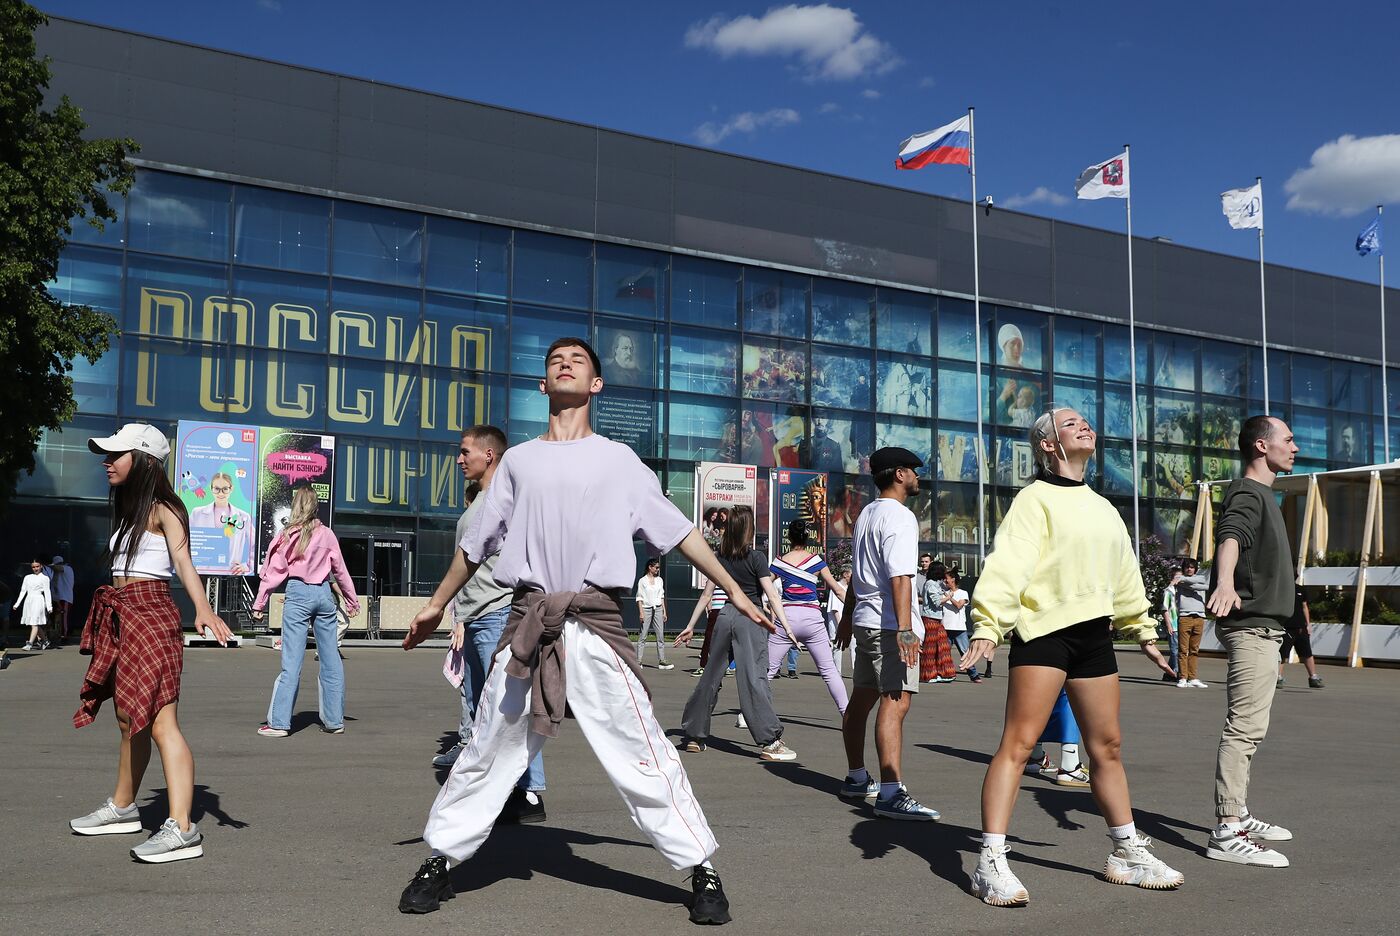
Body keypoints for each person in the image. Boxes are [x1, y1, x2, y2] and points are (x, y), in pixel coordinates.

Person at [395, 337, 773, 924]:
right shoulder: (518, 462)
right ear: (543, 385)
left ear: (596, 384)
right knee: (486, 747)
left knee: (642, 751)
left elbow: (678, 533)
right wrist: (435, 604)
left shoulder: (620, 460)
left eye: (577, 361)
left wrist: (737, 588)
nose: (564, 364)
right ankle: (440, 859)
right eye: (553, 362)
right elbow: (475, 546)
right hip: (530, 622)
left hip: (596, 624)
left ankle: (700, 868)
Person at [960, 407, 1182, 906]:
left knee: (1108, 748)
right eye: (1069, 423)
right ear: (1047, 444)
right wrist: (988, 626)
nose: (1084, 426)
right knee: (1018, 746)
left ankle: (1125, 851)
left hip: (1094, 638)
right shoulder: (1032, 500)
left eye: (1086, 421)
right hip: (1044, 635)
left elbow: (1124, 573)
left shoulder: (1104, 507)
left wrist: (1143, 630)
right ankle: (990, 860)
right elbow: (1009, 562)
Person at [70, 423, 233, 863]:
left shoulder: (166, 508)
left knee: (161, 723)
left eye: (115, 454)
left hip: (151, 615)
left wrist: (203, 609)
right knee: (127, 720)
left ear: (143, 459)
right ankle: (123, 807)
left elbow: (184, 562)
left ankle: (182, 827)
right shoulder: (129, 508)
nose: (106, 461)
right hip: (123, 615)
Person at [429, 426, 548, 819]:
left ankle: (530, 793)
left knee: (509, 707)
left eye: (465, 452)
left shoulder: (506, 501)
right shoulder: (478, 501)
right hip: (478, 616)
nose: (459, 459)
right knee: (485, 711)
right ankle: (498, 789)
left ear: (489, 455)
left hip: (499, 614)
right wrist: (459, 615)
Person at [1204, 415, 1301, 868]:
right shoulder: (1248, 492)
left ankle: (1238, 812)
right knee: (1243, 728)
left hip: (1267, 627)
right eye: (1288, 440)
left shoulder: (1266, 495)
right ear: (1262, 446)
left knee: (1252, 727)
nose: (1294, 447)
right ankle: (1227, 830)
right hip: (1252, 625)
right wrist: (1225, 583)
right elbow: (1231, 536)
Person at [835, 446, 940, 821]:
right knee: (895, 702)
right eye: (913, 470)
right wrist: (906, 629)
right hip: (888, 624)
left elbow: (859, 572)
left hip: (866, 619)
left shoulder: (867, 513)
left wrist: (848, 618)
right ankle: (891, 793)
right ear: (899, 474)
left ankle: (857, 777)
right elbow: (900, 577)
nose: (917, 476)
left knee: (862, 699)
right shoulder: (899, 517)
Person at [680, 505, 799, 761]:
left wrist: (691, 624)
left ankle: (694, 735)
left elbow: (707, 594)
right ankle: (770, 741)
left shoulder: (720, 556)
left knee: (711, 676)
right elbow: (772, 594)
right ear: (749, 528)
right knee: (754, 676)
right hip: (750, 617)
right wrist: (786, 627)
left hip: (725, 615)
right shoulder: (756, 557)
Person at [251, 484, 360, 737]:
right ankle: (334, 722)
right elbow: (341, 571)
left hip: (298, 594)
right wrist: (352, 602)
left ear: (296, 506)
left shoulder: (288, 535)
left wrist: (260, 603)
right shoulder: (328, 534)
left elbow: (273, 573)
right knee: (331, 660)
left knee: (292, 661)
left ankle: (279, 723)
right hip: (323, 595)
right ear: (316, 506)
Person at [766, 519, 848, 714]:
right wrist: (859, 607)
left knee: (766, 672)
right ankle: (848, 715)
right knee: (829, 671)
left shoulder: (779, 562)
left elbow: (763, 586)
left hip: (787, 620)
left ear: (789, 537)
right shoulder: (816, 561)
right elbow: (837, 590)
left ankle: (745, 715)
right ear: (807, 538)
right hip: (813, 619)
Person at [190, 472, 254, 575]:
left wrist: (247, 566)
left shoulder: (243, 516)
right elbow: (185, 540)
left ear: (231, 489)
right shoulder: (197, 513)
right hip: (202, 573)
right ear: (211, 489)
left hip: (231, 574)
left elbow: (254, 545)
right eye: (217, 489)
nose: (221, 493)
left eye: (225, 489)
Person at [919, 561, 957, 683]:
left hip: (937, 619)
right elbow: (936, 602)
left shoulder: (937, 584)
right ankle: (928, 674)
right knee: (930, 647)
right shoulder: (930, 584)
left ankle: (944, 672)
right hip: (930, 618)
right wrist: (949, 597)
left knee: (943, 646)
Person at [1279, 586, 1323, 689]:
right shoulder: (1282, 588)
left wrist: (1308, 624)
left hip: (1301, 628)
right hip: (1286, 627)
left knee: (1307, 653)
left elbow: (1304, 606)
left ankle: (1313, 678)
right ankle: (1278, 677)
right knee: (1283, 653)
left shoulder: (1301, 590)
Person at [940, 568, 980, 683]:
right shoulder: (942, 592)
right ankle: (946, 674)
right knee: (944, 653)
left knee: (965, 652)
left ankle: (974, 674)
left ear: (953, 579)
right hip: (945, 628)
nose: (945, 581)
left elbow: (958, 606)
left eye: (946, 579)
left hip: (959, 628)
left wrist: (949, 597)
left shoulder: (963, 593)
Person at [1176, 558, 1209, 688]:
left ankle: (1193, 678)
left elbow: (1201, 583)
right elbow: (1202, 586)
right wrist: (1183, 579)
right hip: (1185, 616)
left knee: (1194, 650)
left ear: (1195, 568)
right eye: (1187, 567)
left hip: (1199, 616)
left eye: (1192, 567)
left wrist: (1187, 580)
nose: (1189, 569)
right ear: (1183, 568)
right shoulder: (1179, 579)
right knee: (1183, 650)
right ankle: (1183, 677)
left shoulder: (1198, 577)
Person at [636, 557, 673, 670]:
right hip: (646, 609)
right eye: (656, 567)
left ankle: (662, 661)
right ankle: (638, 661)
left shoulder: (659, 580)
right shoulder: (642, 581)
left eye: (658, 567)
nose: (657, 569)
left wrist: (664, 611)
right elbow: (639, 598)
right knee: (643, 635)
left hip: (657, 609)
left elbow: (661, 596)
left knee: (660, 635)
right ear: (650, 567)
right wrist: (641, 613)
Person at [16, 559, 52, 651]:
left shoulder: (45, 578)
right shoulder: (27, 577)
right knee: (33, 623)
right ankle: (45, 641)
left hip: (38, 601)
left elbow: (47, 593)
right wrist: (17, 603)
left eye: (37, 566)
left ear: (41, 567)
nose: (35, 568)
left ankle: (30, 643)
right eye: (33, 567)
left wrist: (49, 606)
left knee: (34, 623)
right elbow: (23, 591)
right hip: (29, 601)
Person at [827, 567, 852, 675]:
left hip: (850, 623)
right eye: (851, 574)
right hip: (837, 624)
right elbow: (835, 610)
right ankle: (837, 672)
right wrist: (841, 625)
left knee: (854, 646)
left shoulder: (850, 588)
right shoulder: (836, 587)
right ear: (845, 574)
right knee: (837, 648)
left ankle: (856, 672)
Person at [1161, 569, 1181, 682]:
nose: (1179, 580)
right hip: (1173, 625)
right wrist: (1168, 625)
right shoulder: (1168, 591)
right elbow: (1165, 609)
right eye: (1177, 577)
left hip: (1181, 624)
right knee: (1174, 650)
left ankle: (1168, 673)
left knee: (1178, 650)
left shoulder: (1182, 591)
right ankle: (1176, 673)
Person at [51, 555, 75, 644]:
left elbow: (58, 568)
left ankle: (64, 636)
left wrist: (47, 565)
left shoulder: (67, 569)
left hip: (65, 597)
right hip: (57, 598)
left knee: (63, 617)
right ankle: (55, 634)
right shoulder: (54, 573)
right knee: (57, 617)